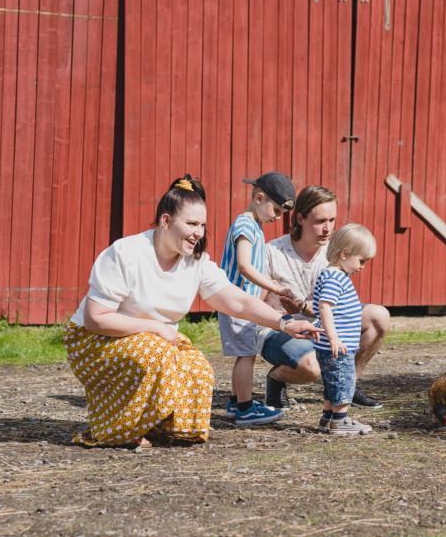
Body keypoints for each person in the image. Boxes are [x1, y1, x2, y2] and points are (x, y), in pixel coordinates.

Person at [63, 175, 318, 448]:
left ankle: (160, 426)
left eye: (202, 225)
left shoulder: (196, 262)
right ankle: (117, 429)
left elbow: (238, 301)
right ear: (165, 221)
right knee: (155, 356)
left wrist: (284, 323)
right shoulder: (127, 253)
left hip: (153, 340)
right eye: (191, 224)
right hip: (94, 341)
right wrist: (154, 328)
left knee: (197, 368)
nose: (199, 232)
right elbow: (95, 318)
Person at [258, 185, 390, 409]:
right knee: (312, 366)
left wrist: (309, 307)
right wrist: (280, 314)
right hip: (279, 329)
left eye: (332, 220)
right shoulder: (272, 252)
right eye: (320, 221)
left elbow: (336, 302)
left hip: (321, 322)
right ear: (300, 218)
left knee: (379, 316)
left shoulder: (335, 251)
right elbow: (254, 304)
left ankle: (348, 385)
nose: (328, 228)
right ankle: (277, 379)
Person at [218, 172, 297, 427]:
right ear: (259, 198)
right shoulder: (245, 225)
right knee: (246, 354)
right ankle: (244, 408)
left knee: (246, 353)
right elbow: (244, 265)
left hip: (245, 304)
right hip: (238, 303)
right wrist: (273, 286)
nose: (277, 217)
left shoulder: (255, 226)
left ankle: (234, 402)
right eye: (275, 210)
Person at [313, 224, 377, 435]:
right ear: (344, 254)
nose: (363, 267)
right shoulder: (335, 277)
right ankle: (340, 421)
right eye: (361, 261)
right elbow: (325, 306)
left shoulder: (331, 274)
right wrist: (333, 338)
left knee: (333, 382)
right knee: (343, 382)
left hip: (334, 344)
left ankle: (328, 418)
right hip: (338, 345)